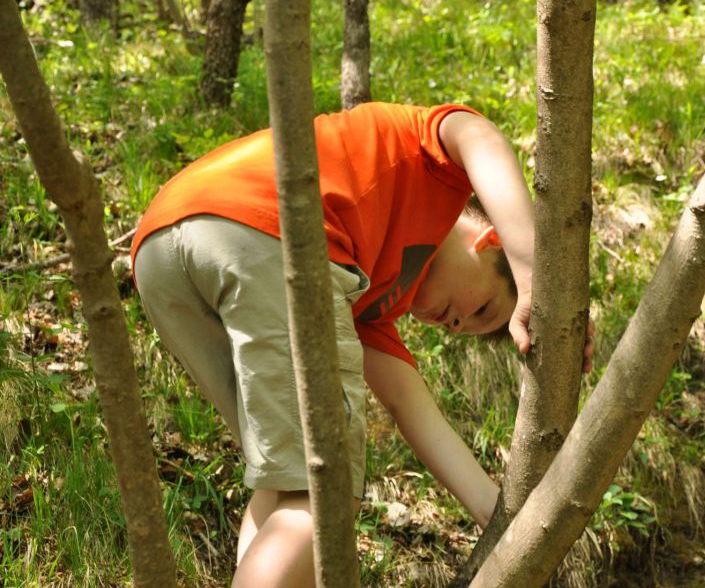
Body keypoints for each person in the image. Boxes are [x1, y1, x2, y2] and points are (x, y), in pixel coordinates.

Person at [131, 102, 587, 586]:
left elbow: (410, 406)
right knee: (324, 493)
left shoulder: (366, 304)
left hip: (163, 249)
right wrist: (537, 278)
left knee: (285, 483)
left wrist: (502, 519)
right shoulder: (434, 162)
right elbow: (480, 136)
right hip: (265, 228)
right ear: (491, 240)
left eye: (460, 328)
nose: (454, 322)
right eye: (481, 309)